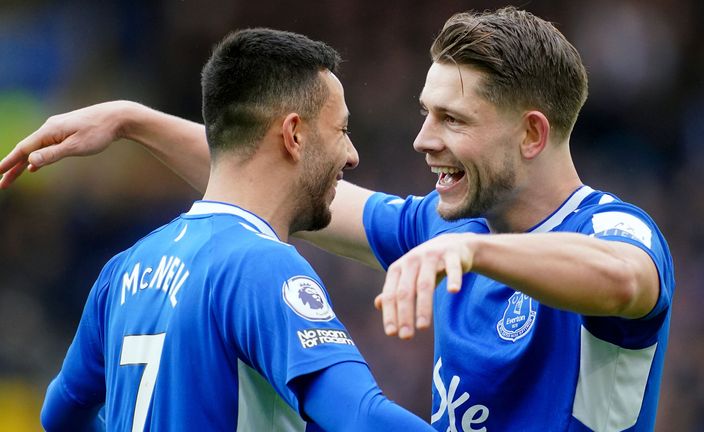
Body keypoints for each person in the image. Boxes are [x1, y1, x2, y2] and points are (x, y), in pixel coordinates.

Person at [1, 6, 675, 432]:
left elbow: (620, 281)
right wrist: (134, 122)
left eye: (452, 119)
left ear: (531, 134)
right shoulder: (448, 231)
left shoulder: (612, 233)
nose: (422, 139)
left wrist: (474, 257)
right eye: (423, 112)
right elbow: (284, 178)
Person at [30, 28, 435, 431]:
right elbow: (361, 417)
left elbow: (60, 413)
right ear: (294, 135)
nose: (352, 155)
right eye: (342, 131)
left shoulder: (122, 270)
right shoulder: (261, 267)